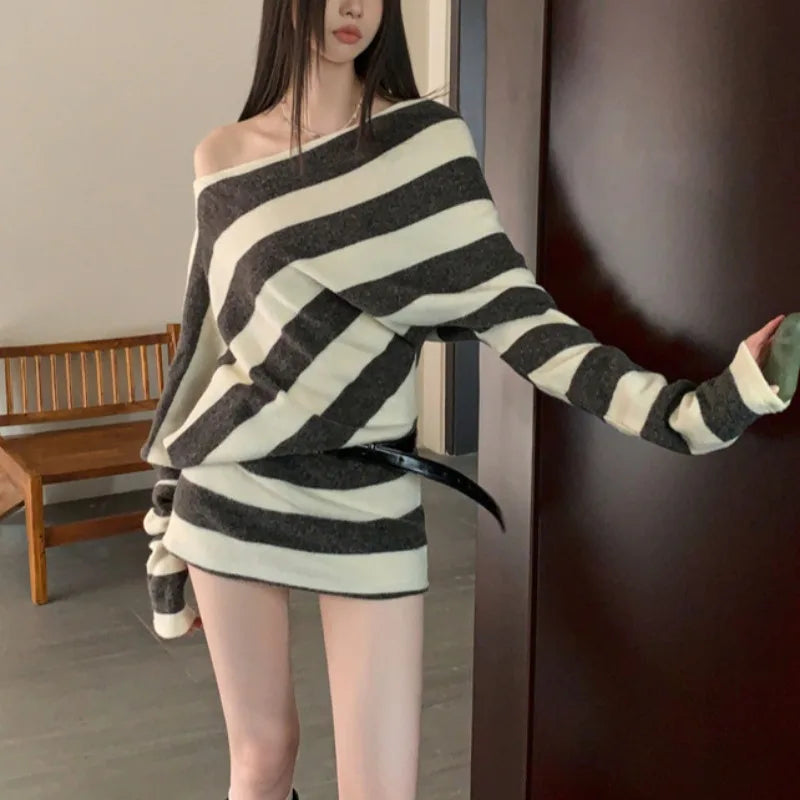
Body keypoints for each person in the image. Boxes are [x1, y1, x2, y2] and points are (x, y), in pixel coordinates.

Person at [140, 1, 793, 799]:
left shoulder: (426, 146)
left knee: (382, 788)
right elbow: (204, 348)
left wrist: (696, 413)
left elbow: (520, 317)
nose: (353, 6)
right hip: (230, 486)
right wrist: (165, 520)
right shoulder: (223, 158)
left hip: (367, 493)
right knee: (263, 760)